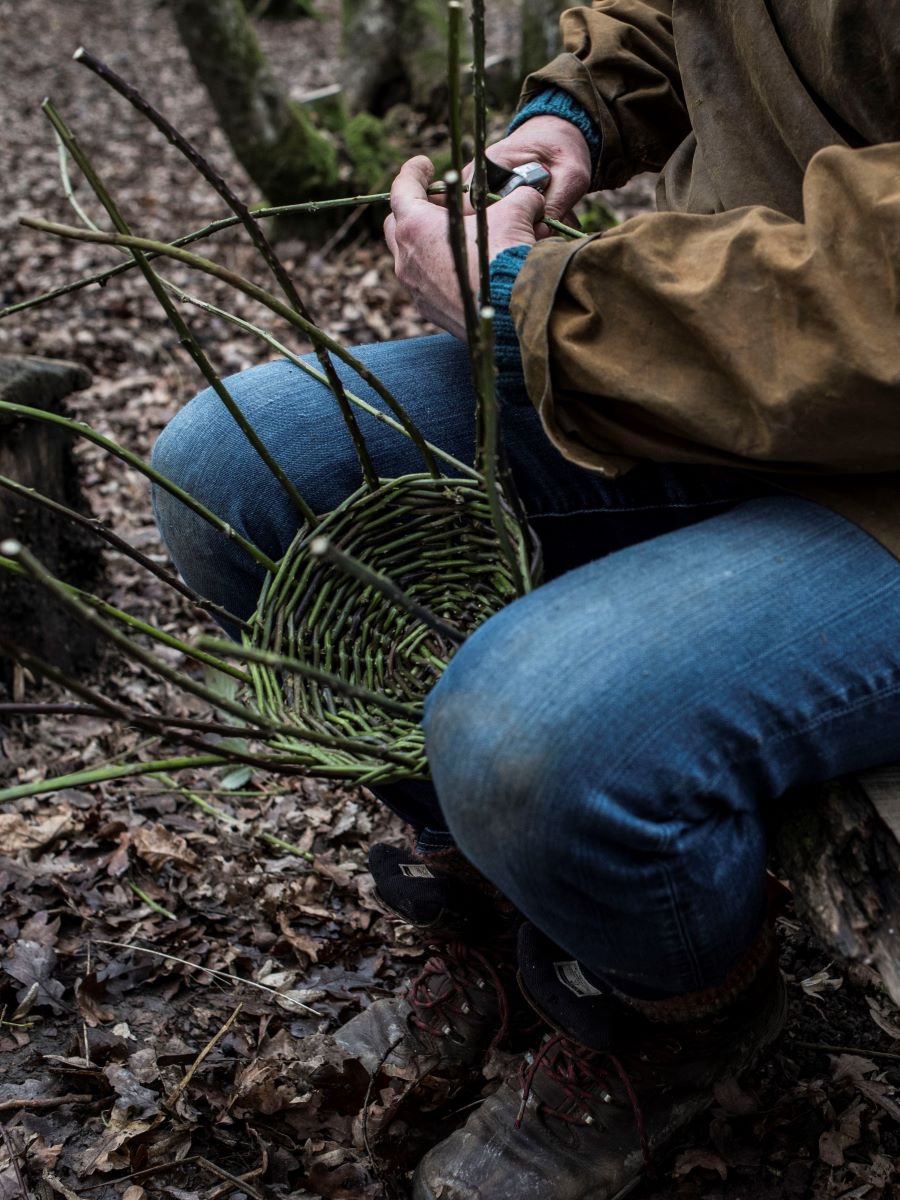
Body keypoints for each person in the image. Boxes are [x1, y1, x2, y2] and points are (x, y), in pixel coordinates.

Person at [152, 2, 900, 1196]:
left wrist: (544, 304)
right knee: (240, 472)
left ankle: (668, 1012)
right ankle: (503, 906)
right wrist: (577, 110)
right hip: (738, 381)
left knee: (527, 730)